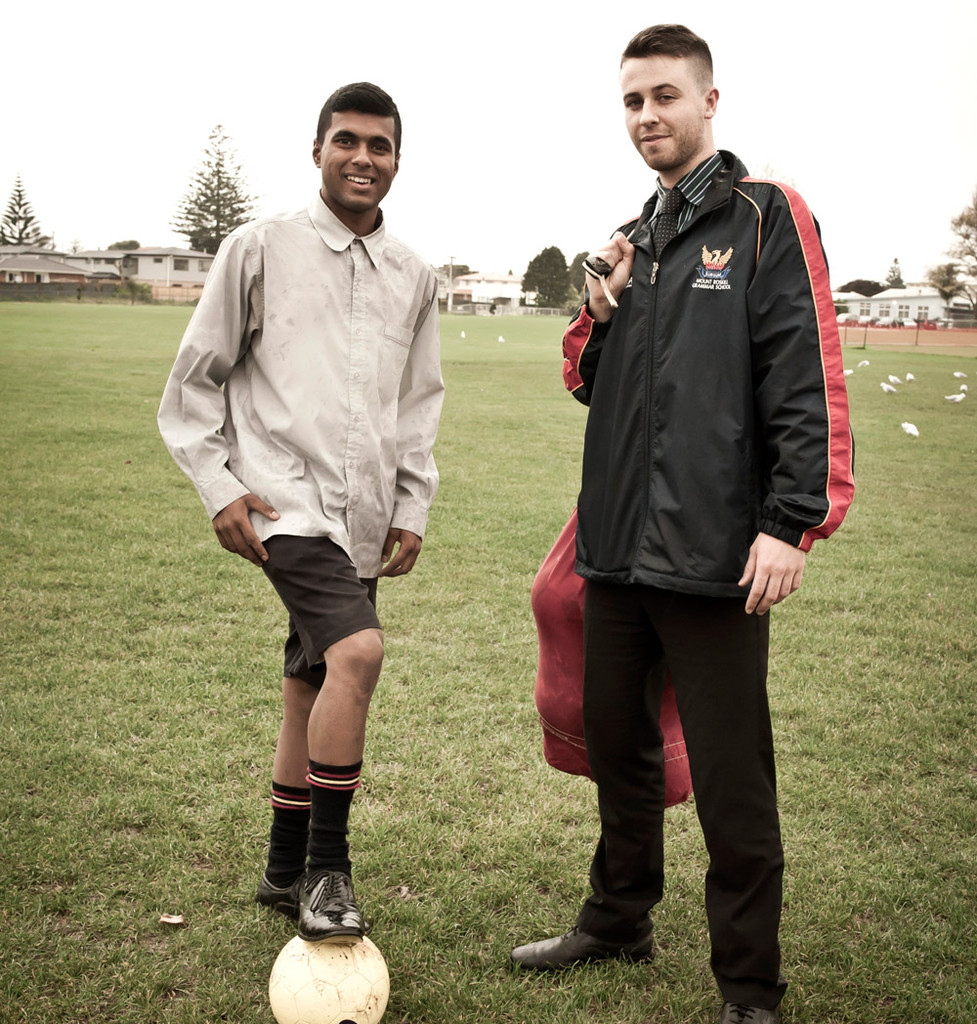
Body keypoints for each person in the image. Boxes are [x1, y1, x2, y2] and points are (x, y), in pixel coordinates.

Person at [509, 25, 854, 1024]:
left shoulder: (760, 217)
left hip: (715, 557)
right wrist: (602, 307)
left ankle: (748, 987)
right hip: (617, 552)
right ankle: (617, 919)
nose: (647, 117)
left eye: (663, 96)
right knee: (617, 744)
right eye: (631, 102)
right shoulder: (633, 236)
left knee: (732, 782)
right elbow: (585, 381)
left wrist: (790, 524)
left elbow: (804, 375)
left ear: (707, 100)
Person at [158, 82, 443, 942]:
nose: (363, 158)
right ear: (316, 149)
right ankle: (327, 872)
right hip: (284, 505)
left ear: (398, 158)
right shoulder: (259, 248)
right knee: (357, 652)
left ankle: (282, 869)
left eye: (380, 146)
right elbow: (192, 383)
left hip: (361, 514)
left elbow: (417, 401)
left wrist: (411, 503)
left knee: (311, 681)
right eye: (346, 141)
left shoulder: (415, 275)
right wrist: (220, 486)